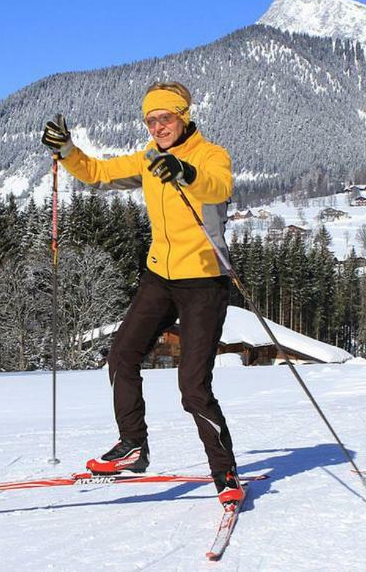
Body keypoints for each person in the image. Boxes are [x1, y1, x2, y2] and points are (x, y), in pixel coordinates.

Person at [41, 81, 244, 504]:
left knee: (193, 387)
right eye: (150, 120)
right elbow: (98, 173)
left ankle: (225, 474)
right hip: (159, 276)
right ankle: (133, 446)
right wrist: (67, 152)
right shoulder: (149, 158)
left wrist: (184, 172)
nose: (157, 127)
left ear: (183, 116)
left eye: (165, 118)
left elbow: (217, 187)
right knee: (121, 355)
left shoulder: (211, 155)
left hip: (204, 281)